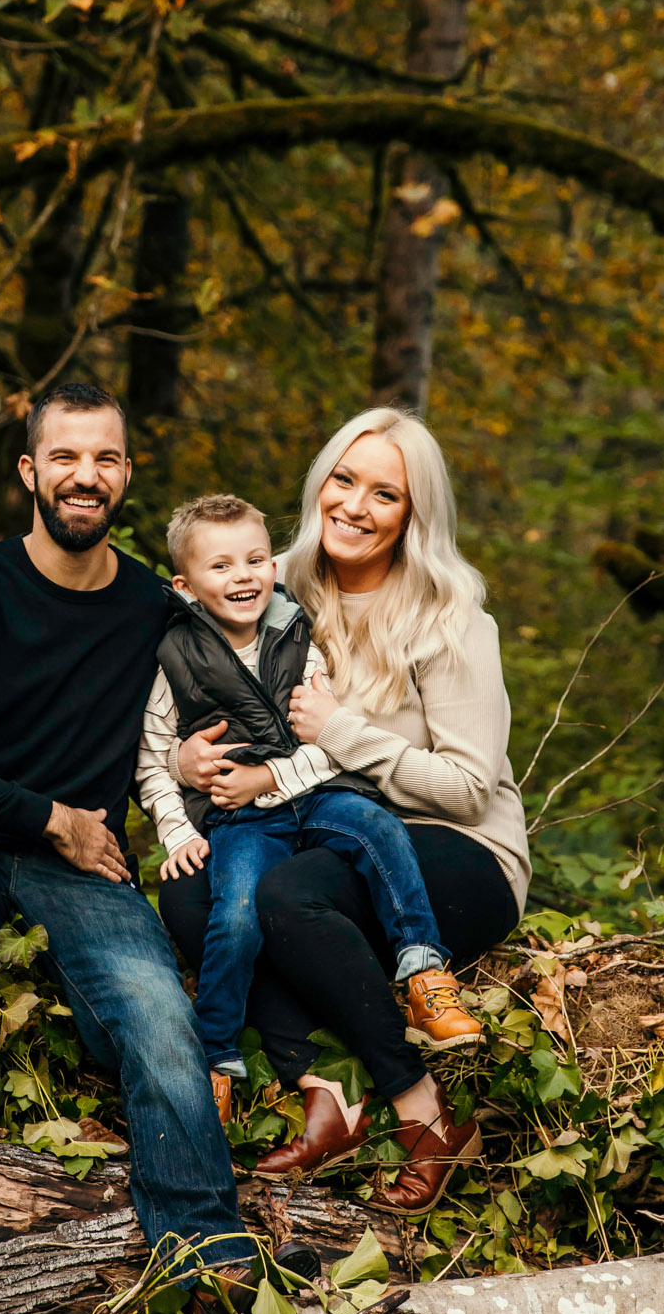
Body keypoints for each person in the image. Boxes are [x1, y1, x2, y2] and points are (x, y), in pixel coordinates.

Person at [0, 380, 251, 1278]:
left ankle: (207, 1256)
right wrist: (53, 817)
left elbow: (244, 665)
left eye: (105, 458)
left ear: (126, 476)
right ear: (30, 470)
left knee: (155, 1018)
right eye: (66, 457)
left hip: (87, 875)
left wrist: (193, 766)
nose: (86, 475)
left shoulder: (157, 607)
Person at [157, 408, 529, 1214]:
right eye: (344, 479)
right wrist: (185, 762)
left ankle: (422, 1110)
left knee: (291, 896)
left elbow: (469, 786)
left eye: (385, 494)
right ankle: (324, 1091)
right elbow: (181, 681)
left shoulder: (453, 619)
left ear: (414, 514)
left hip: (450, 844)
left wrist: (344, 733)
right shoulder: (272, 581)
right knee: (192, 892)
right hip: (306, 822)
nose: (355, 505)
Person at [136, 492, 471, 1146]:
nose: (244, 576)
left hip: (313, 795)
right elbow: (153, 757)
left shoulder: (295, 637)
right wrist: (176, 830)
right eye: (222, 566)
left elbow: (324, 742)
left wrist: (273, 775)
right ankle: (216, 1056)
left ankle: (424, 965)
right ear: (184, 585)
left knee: (378, 828)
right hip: (241, 824)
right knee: (232, 914)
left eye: (257, 559)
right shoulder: (171, 659)